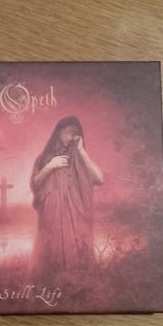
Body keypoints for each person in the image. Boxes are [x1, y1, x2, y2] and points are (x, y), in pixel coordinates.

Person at [29, 115, 103, 279]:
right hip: (52, 213)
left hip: (74, 213)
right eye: (68, 132)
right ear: (58, 132)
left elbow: (99, 178)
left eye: (75, 133)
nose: (71, 137)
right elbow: (35, 184)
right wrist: (50, 166)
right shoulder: (44, 158)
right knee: (52, 251)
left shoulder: (77, 157)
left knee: (75, 252)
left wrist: (82, 152)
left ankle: (76, 281)